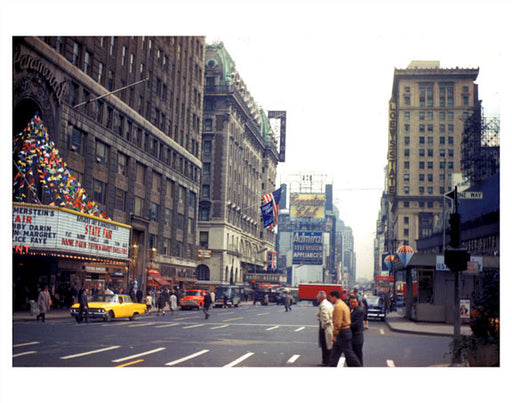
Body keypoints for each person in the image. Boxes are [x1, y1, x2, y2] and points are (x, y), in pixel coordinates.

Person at [328, 290, 361, 367]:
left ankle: (358, 366)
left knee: (349, 353)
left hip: (342, 332)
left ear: (334, 297)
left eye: (330, 298)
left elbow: (337, 322)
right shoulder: (344, 305)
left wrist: (334, 334)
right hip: (346, 331)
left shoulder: (338, 307)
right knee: (335, 353)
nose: (330, 299)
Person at [316, 291, 333, 366]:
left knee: (325, 345)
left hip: (326, 327)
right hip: (330, 326)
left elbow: (325, 318)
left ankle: (326, 361)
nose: (316, 297)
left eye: (317, 296)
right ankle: (327, 360)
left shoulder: (323, 305)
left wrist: (323, 326)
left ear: (320, 298)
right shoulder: (328, 303)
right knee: (328, 345)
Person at [349, 294, 366, 366]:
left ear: (357, 302)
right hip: (352, 337)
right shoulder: (352, 309)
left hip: (357, 338)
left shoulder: (360, 311)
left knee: (358, 357)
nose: (353, 303)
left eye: (354, 302)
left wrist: (346, 326)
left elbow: (357, 323)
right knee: (353, 357)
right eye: (351, 302)